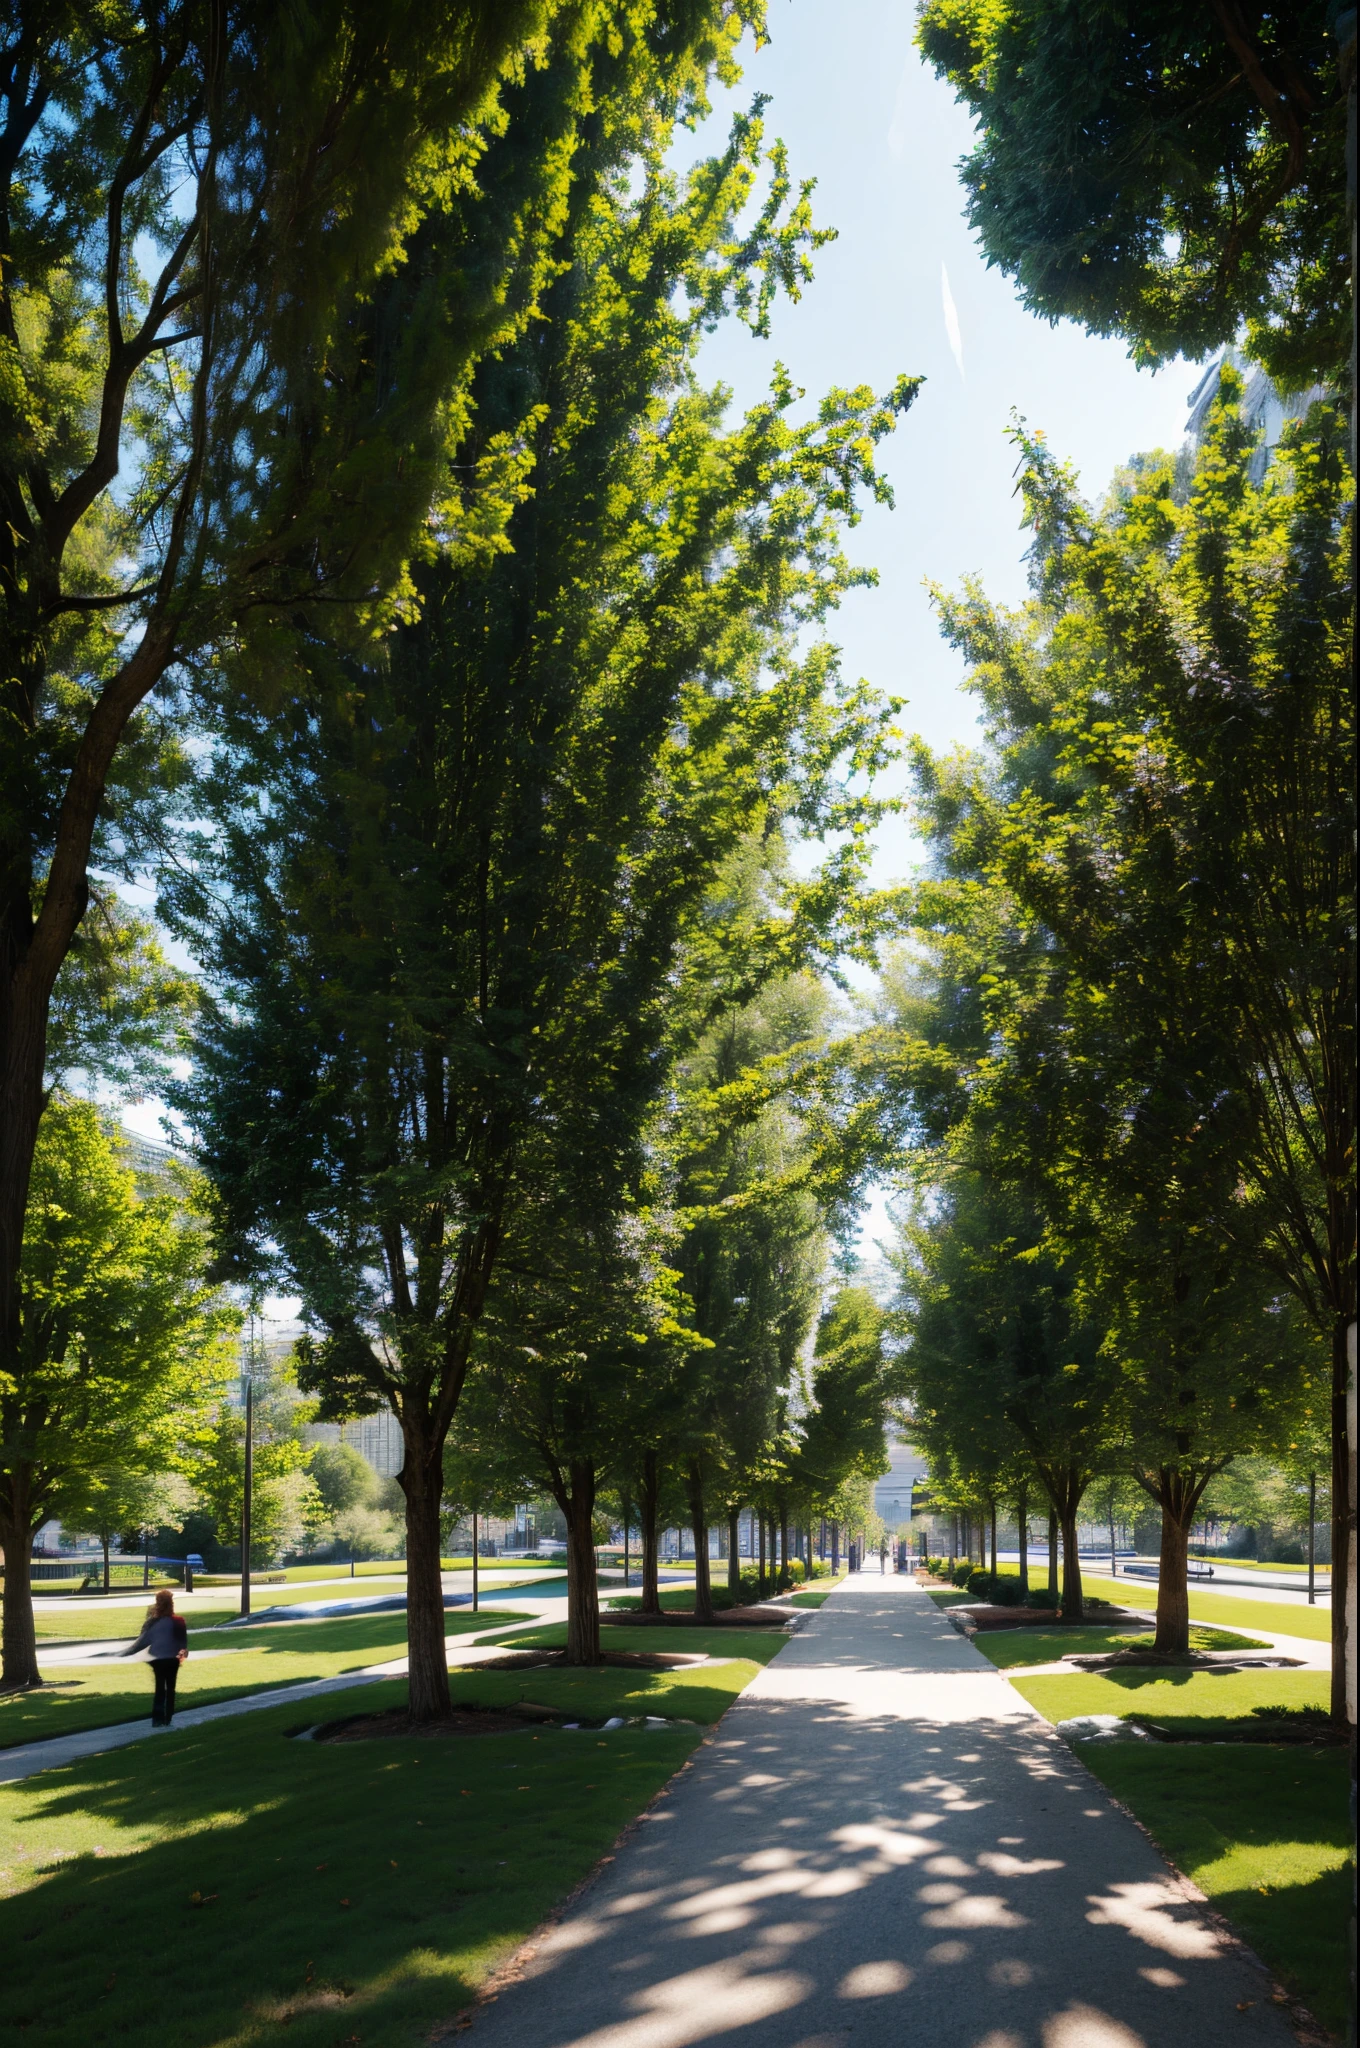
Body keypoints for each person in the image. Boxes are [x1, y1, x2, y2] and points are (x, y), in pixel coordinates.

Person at [123, 1588, 188, 1725]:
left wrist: (125, 1653)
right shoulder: (178, 1621)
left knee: (160, 1689)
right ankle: (168, 1718)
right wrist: (182, 1652)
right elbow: (183, 1643)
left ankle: (158, 1719)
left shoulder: (152, 1622)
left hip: (158, 1659)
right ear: (171, 1603)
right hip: (172, 1659)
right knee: (170, 1689)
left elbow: (142, 1642)